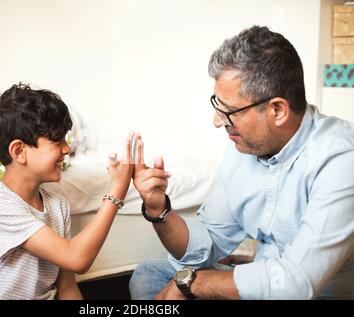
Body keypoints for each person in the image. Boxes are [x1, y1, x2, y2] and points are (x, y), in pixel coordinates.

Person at [129, 26, 354, 300]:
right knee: (149, 275)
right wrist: (158, 210)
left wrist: (193, 284)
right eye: (217, 106)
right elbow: (209, 242)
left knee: (180, 284)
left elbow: (297, 282)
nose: (216, 122)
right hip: (265, 283)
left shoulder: (341, 157)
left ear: (277, 110)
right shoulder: (243, 149)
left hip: (312, 292)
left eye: (228, 111)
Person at [0, 83, 134, 299]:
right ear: (19, 151)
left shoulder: (56, 204)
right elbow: (77, 259)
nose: (67, 149)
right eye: (57, 140)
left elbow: (67, 288)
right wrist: (117, 191)